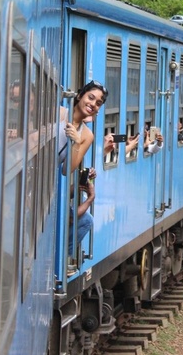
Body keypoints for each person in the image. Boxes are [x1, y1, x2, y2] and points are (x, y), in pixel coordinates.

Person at [64, 80, 108, 254]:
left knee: (86, 220)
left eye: (98, 103)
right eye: (91, 97)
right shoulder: (60, 113)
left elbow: (67, 169)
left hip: (54, 190)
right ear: (80, 95)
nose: (93, 105)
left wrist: (76, 141)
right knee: (85, 220)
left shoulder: (87, 136)